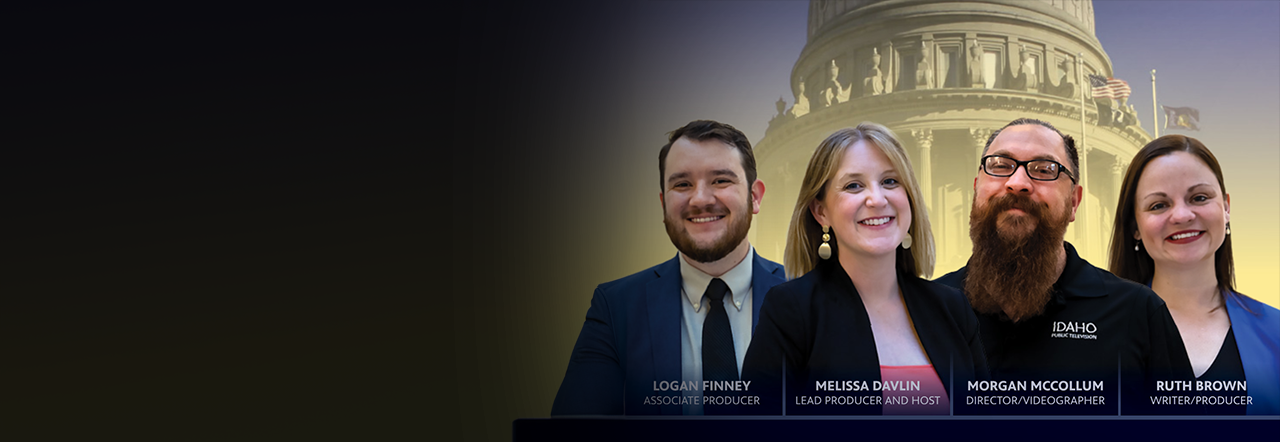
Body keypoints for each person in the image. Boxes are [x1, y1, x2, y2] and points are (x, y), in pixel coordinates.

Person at [934, 118, 1192, 415]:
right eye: (1001, 165)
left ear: (1074, 202)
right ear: (977, 189)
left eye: (1044, 170)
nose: (1017, 182)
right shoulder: (925, 310)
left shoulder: (1138, 313)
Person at [741, 123, 987, 415]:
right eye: (853, 186)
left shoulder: (953, 308)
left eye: (890, 182)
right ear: (821, 212)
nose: (877, 199)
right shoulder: (790, 311)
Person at [551, 120, 785, 415]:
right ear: (663, 204)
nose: (700, 199)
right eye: (682, 184)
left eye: (721, 180)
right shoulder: (615, 308)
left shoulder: (814, 298)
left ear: (755, 197)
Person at [1109, 135, 1279, 415]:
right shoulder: (1095, 333)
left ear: (1225, 208)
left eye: (1199, 197)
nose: (1182, 215)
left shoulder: (1276, 332)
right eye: (1158, 205)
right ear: (1134, 227)